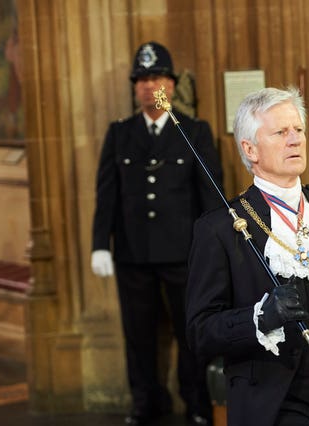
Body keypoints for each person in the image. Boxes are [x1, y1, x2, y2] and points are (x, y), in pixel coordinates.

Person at [185, 87, 309, 426]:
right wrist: (260, 317)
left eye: (299, 130)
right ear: (251, 149)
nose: (295, 140)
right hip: (276, 402)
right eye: (281, 132)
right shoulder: (220, 227)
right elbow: (200, 332)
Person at [90, 41, 223, 426]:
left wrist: (213, 251)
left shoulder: (194, 131)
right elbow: (106, 194)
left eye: (158, 78)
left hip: (185, 254)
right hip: (133, 254)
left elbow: (211, 195)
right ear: (135, 87)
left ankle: (197, 403)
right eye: (143, 79)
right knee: (138, 335)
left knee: (191, 332)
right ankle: (145, 402)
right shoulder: (119, 134)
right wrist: (101, 244)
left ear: (172, 83)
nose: (150, 86)